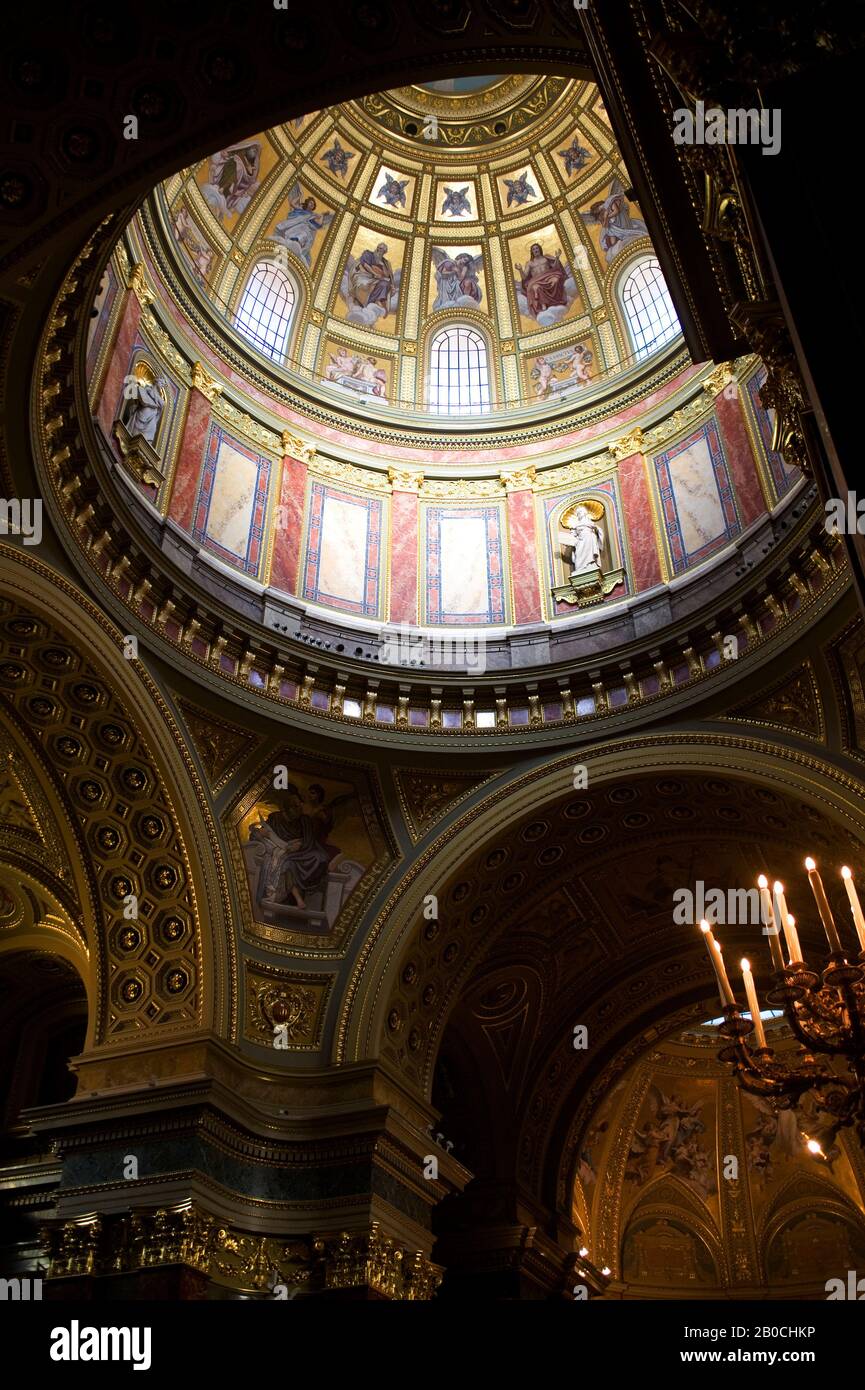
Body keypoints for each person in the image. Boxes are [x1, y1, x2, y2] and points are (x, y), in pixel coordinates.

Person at [515, 243, 567, 318]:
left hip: (549, 276)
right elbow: (524, 277)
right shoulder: (530, 263)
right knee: (536, 287)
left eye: (537, 248)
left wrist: (557, 257)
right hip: (537, 280)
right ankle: (543, 304)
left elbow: (555, 267)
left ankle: (556, 301)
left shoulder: (546, 258)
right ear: (532, 252)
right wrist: (520, 270)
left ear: (540, 249)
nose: (535, 250)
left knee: (555, 280)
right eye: (533, 249)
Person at [569, 504, 604, 575]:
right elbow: (573, 535)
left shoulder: (590, 522)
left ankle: (590, 564)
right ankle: (580, 568)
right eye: (578, 513)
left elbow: (596, 529)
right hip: (580, 541)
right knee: (579, 553)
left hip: (589, 538)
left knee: (589, 554)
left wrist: (596, 528)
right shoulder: (575, 524)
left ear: (584, 513)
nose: (579, 514)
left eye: (580, 512)